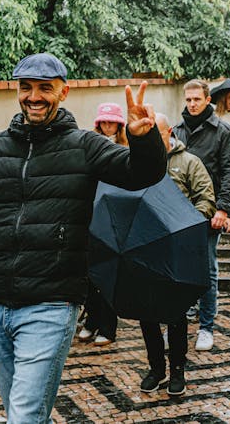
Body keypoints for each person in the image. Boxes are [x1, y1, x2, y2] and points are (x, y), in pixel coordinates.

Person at [0, 53, 165, 423]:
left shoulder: (84, 146)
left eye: (44, 88)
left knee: (22, 416)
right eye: (26, 88)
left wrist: (142, 138)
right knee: (24, 411)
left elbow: (141, 174)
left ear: (64, 92)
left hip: (50, 306)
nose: (33, 97)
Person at [138, 114, 216, 397]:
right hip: (145, 246)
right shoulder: (140, 162)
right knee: (146, 313)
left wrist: (186, 222)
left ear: (169, 131)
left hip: (176, 247)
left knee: (174, 312)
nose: (150, 138)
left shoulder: (189, 162)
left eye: (155, 132)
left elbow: (206, 199)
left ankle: (177, 370)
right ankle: (156, 368)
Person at [172, 79, 230, 352]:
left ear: (208, 99)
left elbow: (229, 171)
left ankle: (207, 326)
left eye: (197, 99)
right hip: (177, 213)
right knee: (178, 270)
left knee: (207, 269)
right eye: (188, 100)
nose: (192, 104)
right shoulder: (177, 131)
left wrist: (223, 208)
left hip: (208, 211)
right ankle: (182, 315)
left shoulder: (222, 131)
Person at [76, 102, 130, 346]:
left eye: (113, 123)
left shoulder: (125, 150)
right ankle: (91, 320)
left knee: (109, 276)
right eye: (104, 122)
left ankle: (108, 326)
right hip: (90, 218)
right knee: (89, 275)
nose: (108, 127)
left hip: (114, 221)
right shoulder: (89, 148)